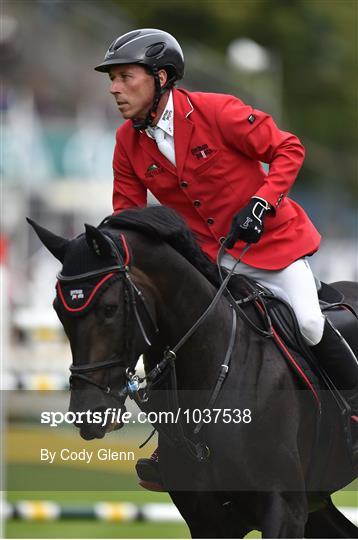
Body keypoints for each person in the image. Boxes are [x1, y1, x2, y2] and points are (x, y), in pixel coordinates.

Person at [95, 28, 357, 488]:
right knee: (169, 335)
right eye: (112, 79)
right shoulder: (127, 142)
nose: (115, 88)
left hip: (271, 248)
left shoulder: (218, 112)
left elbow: (288, 149)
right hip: (209, 263)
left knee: (311, 324)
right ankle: (171, 445)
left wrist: (262, 202)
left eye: (124, 77)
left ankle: (352, 418)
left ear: (160, 78)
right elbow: (127, 216)